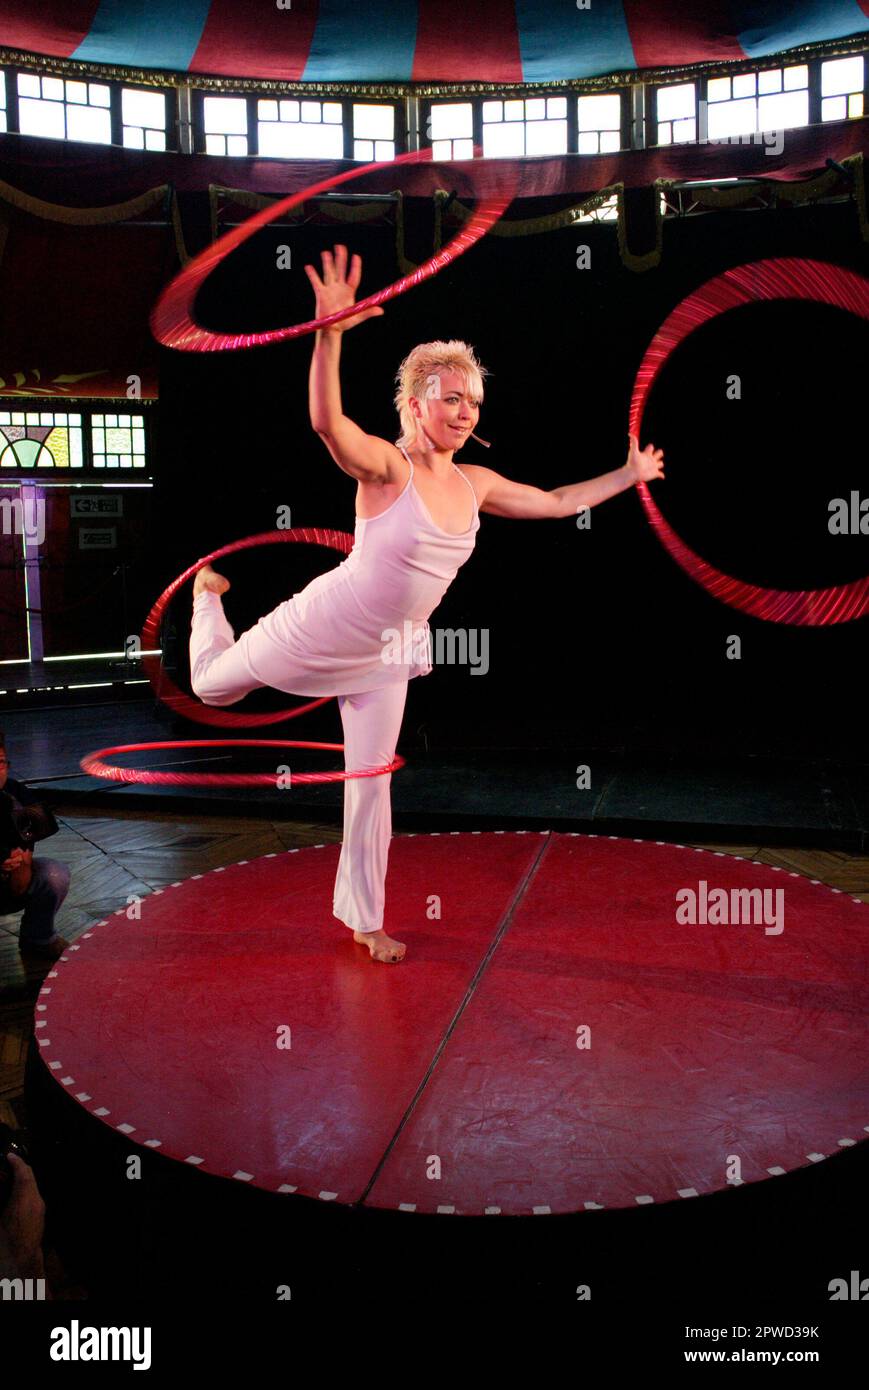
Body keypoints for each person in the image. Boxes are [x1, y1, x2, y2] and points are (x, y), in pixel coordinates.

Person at [189, 244, 665, 963]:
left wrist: (627, 475)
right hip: (327, 622)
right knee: (211, 688)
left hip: (389, 653)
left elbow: (559, 501)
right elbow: (327, 424)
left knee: (371, 785)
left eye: (473, 402)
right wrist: (329, 332)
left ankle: (365, 919)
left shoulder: (475, 481)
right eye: (451, 398)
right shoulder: (387, 467)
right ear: (415, 404)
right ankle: (205, 601)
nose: (465, 412)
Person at [0, 733, 70, 962]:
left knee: (54, 874)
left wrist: (20, 859)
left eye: (1, 762)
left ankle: (38, 938)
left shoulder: (16, 795)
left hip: (8, 880)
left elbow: (19, 886)